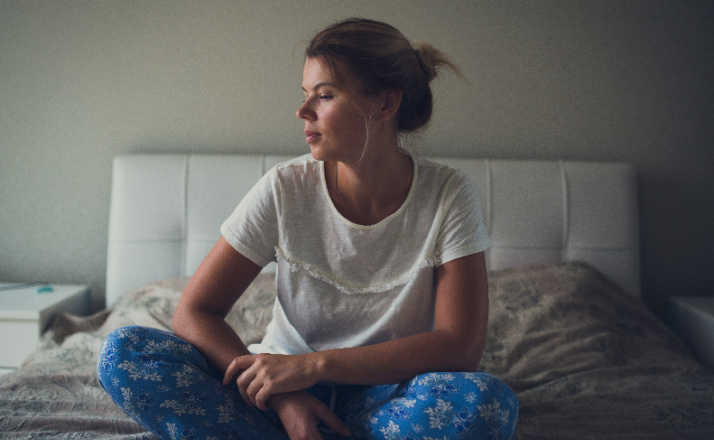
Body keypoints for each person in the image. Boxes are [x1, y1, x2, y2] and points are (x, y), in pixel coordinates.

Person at [97, 17, 518, 440]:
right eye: (306, 96)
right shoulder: (285, 188)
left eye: (325, 95)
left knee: (485, 403)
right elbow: (194, 311)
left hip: (388, 397)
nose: (302, 112)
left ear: (385, 104)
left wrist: (314, 366)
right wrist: (284, 397)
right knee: (124, 353)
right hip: (275, 392)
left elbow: (460, 347)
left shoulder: (447, 194)